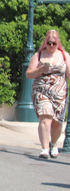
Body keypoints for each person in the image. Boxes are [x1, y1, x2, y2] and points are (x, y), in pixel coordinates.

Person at [25, 29, 70, 159]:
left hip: (59, 93)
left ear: (58, 43)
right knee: (45, 117)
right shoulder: (38, 55)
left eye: (54, 43)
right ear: (46, 42)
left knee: (57, 122)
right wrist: (39, 70)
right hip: (41, 90)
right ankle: (44, 148)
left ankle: (54, 144)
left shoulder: (64, 55)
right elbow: (29, 74)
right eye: (49, 43)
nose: (51, 46)